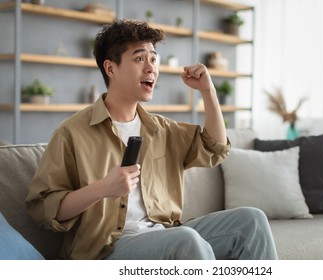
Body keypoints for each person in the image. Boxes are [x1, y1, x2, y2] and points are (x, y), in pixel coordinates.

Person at [25, 19, 278, 260]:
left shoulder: (162, 129)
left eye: (154, 59)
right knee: (185, 239)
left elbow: (215, 148)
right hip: (107, 250)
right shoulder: (72, 133)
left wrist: (208, 92)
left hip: (167, 233)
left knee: (251, 221)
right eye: (139, 58)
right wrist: (103, 188)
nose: (151, 67)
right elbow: (44, 209)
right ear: (110, 68)